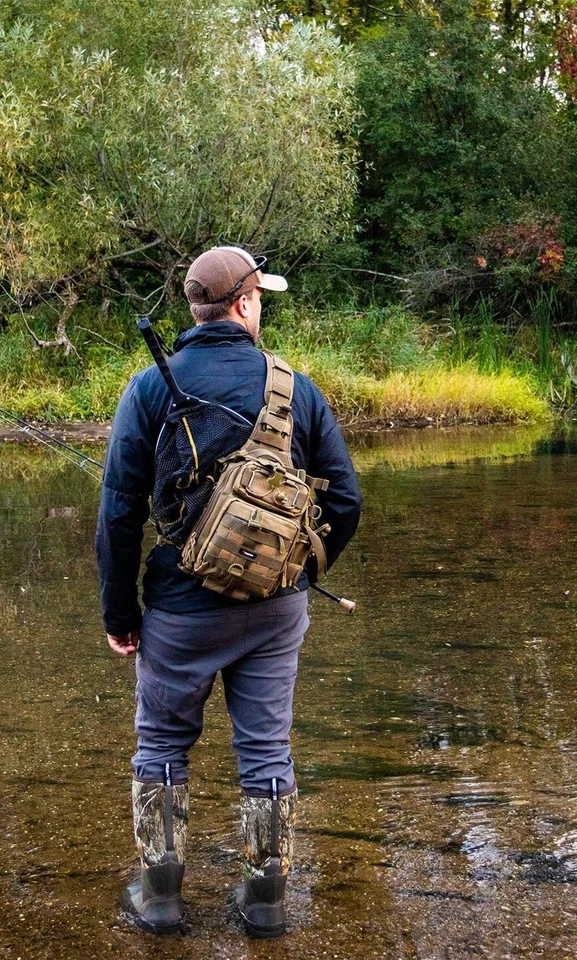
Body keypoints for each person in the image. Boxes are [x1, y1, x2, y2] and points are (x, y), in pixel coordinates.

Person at [96, 245, 362, 938]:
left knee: (160, 745)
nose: (261, 305)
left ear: (196, 307)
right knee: (267, 748)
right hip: (275, 611)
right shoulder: (297, 389)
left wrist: (120, 614)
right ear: (243, 303)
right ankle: (265, 901)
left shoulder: (148, 388)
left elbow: (119, 513)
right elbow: (348, 504)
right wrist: (296, 571)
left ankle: (159, 898)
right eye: (260, 296)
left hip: (180, 610)